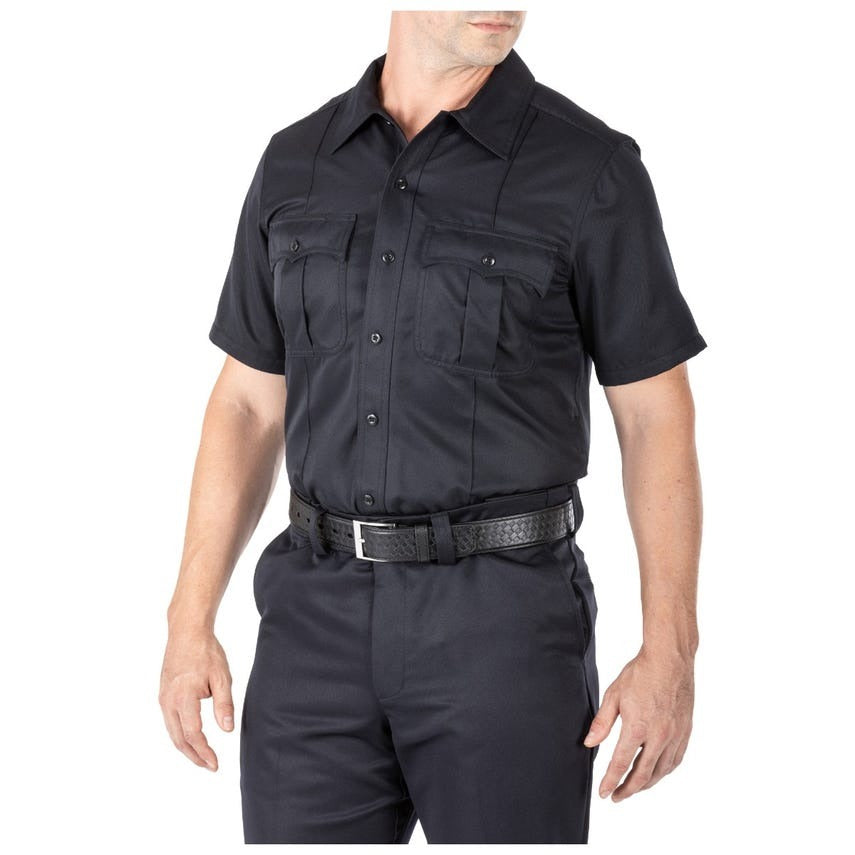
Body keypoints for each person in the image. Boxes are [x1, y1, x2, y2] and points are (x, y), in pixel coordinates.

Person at [159, 10, 706, 844]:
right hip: (312, 626)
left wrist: (670, 649)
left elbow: (652, 413)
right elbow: (246, 402)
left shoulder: (589, 169)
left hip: (504, 630)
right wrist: (188, 619)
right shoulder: (296, 163)